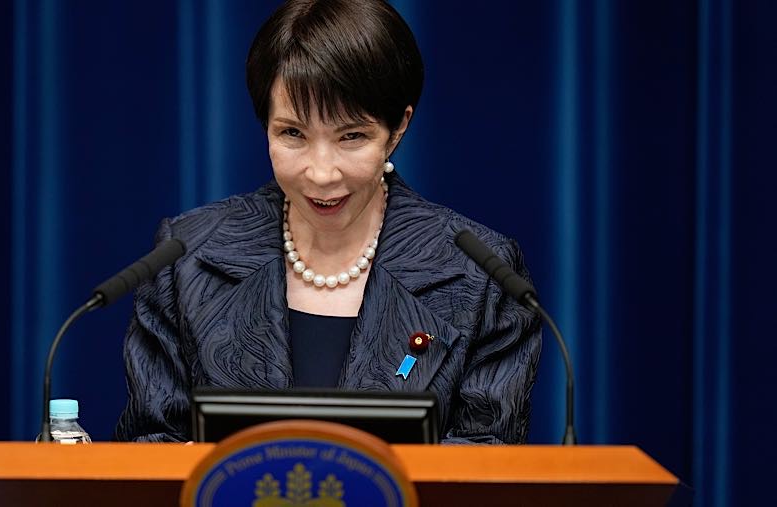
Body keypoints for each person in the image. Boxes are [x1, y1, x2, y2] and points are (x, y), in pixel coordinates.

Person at [115, 0, 541, 445]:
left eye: (351, 136)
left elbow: (486, 465)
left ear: (397, 130)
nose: (321, 173)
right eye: (293, 134)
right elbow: (149, 442)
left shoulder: (481, 275)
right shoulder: (188, 258)